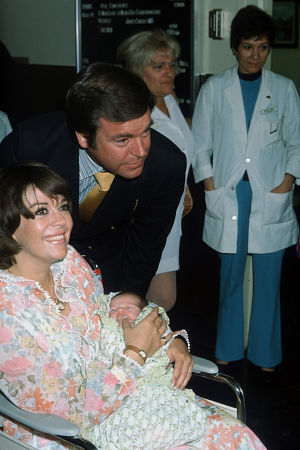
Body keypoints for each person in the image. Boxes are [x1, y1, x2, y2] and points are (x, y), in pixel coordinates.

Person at [0, 162, 267, 449]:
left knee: (235, 436)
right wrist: (135, 354)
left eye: (63, 207)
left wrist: (167, 340)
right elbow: (70, 416)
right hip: (67, 436)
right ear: (8, 225)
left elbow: (115, 311)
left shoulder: (69, 264)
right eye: (41, 211)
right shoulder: (8, 313)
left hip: (130, 401)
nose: (61, 221)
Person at [0, 62, 186, 299]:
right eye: (122, 140)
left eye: (146, 131)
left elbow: (144, 249)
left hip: (110, 269)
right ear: (84, 137)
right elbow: (4, 228)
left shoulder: (167, 165)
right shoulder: (30, 146)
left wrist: (123, 304)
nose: (141, 150)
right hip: (28, 271)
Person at [191, 5, 300, 372]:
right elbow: (200, 143)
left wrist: (286, 183)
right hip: (230, 192)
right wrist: (210, 184)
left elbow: (296, 143)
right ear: (235, 48)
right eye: (248, 46)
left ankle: (266, 354)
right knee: (230, 276)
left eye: (263, 47)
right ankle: (228, 347)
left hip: (270, 194)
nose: (256, 55)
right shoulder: (214, 88)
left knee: (269, 280)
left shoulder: (284, 89)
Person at [117, 29, 195, 310]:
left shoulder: (169, 100)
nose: (169, 73)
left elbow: (179, 153)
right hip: (146, 215)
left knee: (160, 301)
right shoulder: (131, 113)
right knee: (158, 300)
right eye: (159, 66)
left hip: (171, 212)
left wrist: (183, 186)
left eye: (172, 65)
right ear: (138, 72)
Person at [85, 291, 207, 448]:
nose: (121, 312)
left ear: (143, 313)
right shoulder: (107, 333)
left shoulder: (151, 330)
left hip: (158, 388)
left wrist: (178, 340)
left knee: (190, 418)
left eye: (129, 308)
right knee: (127, 428)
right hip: (122, 395)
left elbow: (170, 337)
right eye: (114, 310)